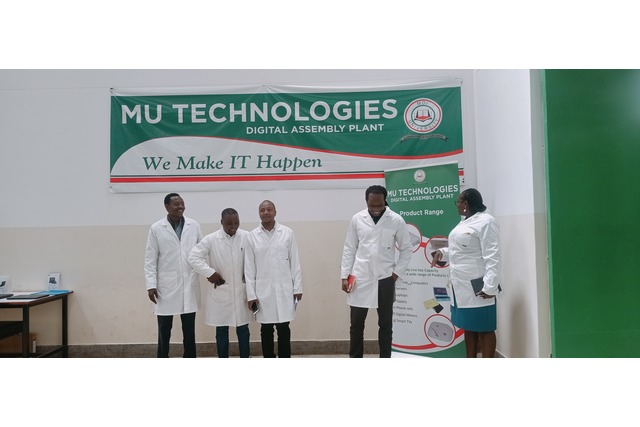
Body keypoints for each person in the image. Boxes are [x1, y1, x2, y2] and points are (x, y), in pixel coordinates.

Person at [340, 185, 412, 358]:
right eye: (372, 205)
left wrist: (396, 273)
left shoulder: (396, 220)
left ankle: (385, 358)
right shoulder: (357, 219)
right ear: (366, 201)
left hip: (385, 278)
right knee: (356, 325)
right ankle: (355, 358)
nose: (376, 208)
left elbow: (406, 249)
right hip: (359, 277)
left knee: (386, 325)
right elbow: (349, 248)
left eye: (380, 205)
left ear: (385, 200)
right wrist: (344, 276)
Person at [431, 188, 501, 358]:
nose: (457, 205)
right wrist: (442, 252)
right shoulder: (464, 222)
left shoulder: (486, 222)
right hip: (460, 286)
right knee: (468, 326)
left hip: (479, 286)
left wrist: (490, 286)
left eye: (458, 202)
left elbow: (493, 256)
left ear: (466, 204)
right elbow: (460, 250)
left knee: (485, 328)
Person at [144, 193, 203, 358]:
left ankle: (190, 357)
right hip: (166, 285)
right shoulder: (157, 228)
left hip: (189, 282)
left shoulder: (193, 225)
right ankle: (163, 357)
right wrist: (151, 285)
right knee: (164, 328)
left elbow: (202, 251)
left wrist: (208, 272)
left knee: (189, 329)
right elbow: (150, 259)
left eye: (182, 204)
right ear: (167, 207)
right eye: (176, 204)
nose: (180, 207)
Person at [188, 208, 251, 358]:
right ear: (221, 222)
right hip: (221, 292)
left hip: (241, 291)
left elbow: (257, 257)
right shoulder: (211, 239)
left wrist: (249, 271)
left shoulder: (247, 237)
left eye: (236, 222)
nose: (233, 226)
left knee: (243, 330)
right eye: (229, 223)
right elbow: (193, 257)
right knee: (222, 330)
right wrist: (209, 273)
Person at [244, 200, 302, 358]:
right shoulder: (252, 236)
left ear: (275, 212)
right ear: (259, 213)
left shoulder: (287, 233)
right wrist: (251, 294)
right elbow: (249, 268)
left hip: (284, 288)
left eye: (269, 209)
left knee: (284, 327)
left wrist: (297, 287)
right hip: (263, 290)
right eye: (262, 210)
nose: (266, 212)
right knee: (266, 329)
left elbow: (295, 262)